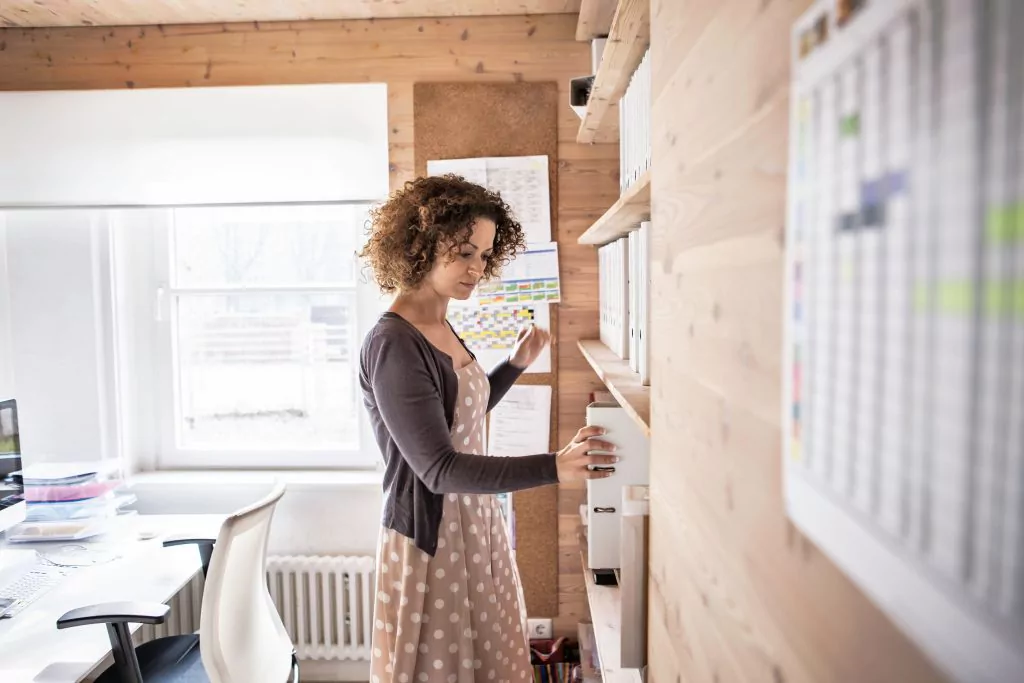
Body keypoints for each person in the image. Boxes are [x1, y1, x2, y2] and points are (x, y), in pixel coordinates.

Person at [358, 175, 617, 683]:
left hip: (474, 523)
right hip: (431, 539)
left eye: (484, 254)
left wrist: (514, 365)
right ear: (420, 244)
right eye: (464, 253)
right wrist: (554, 467)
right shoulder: (394, 344)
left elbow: (459, 419)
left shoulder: (439, 323)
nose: (477, 268)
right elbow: (438, 468)